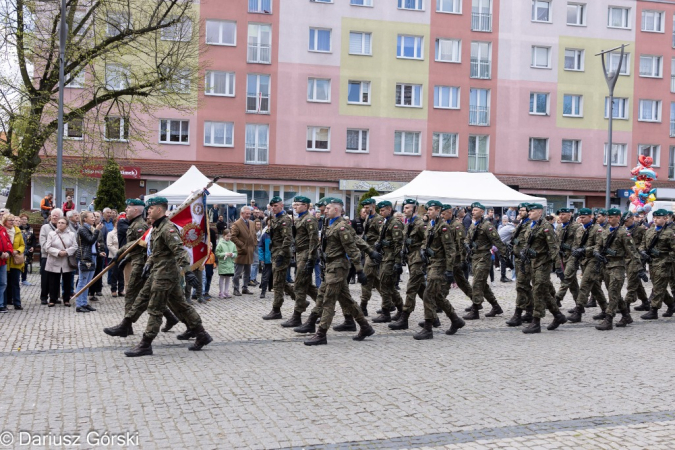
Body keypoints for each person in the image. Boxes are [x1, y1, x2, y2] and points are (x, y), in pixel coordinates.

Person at [121, 197, 212, 357]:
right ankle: (201, 334)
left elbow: (179, 250)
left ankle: (145, 343)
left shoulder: (168, 229)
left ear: (159, 209)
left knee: (155, 309)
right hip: (158, 272)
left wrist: (188, 271)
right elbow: (156, 252)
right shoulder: (157, 228)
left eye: (151, 208)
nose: (148, 211)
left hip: (166, 275)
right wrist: (148, 264)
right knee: (180, 305)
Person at [303, 198, 374, 346]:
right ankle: (365, 327)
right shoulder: (330, 224)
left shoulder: (342, 226)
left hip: (338, 268)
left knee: (328, 300)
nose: (325, 210)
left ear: (336, 210)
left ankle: (321, 333)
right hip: (330, 267)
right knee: (346, 300)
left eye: (328, 208)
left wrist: (359, 270)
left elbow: (352, 249)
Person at [517, 204, 567, 333]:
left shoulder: (546, 227)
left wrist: (558, 267)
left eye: (532, 211)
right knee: (544, 291)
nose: (529, 213)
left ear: (540, 212)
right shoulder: (531, 226)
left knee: (538, 290)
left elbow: (554, 248)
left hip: (543, 263)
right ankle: (558, 315)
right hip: (532, 263)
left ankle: (536, 322)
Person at [593, 208, 642, 330]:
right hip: (605, 266)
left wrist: (639, 268)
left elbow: (633, 252)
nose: (609, 219)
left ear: (618, 218)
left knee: (613, 293)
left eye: (612, 217)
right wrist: (596, 253)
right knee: (615, 294)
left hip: (618, 266)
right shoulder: (605, 231)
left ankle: (608, 319)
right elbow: (598, 245)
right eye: (608, 217)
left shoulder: (623, 233)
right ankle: (626, 316)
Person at [464, 202, 509, 320]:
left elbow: (497, 241)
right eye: (472, 210)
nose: (473, 212)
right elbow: (467, 240)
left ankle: (475, 309)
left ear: (482, 212)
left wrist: (505, 256)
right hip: (474, 258)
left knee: (477, 283)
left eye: (476, 210)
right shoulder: (474, 225)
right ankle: (496, 306)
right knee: (483, 285)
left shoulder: (487, 225)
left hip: (484, 257)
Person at [280, 196, 319, 328]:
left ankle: (297, 316)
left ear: (306, 205)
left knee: (299, 285)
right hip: (299, 253)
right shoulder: (298, 219)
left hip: (306, 254)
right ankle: (324, 306)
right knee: (308, 286)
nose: (294, 207)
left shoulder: (309, 219)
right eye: (294, 204)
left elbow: (314, 240)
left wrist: (310, 258)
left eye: (297, 204)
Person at [389, 199, 427, 330]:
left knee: (411, 288)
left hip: (418, 259)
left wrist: (422, 250)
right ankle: (440, 317)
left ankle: (404, 318)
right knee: (423, 290)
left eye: (407, 208)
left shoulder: (420, 223)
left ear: (414, 209)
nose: (404, 210)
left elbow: (427, 239)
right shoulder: (408, 223)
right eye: (404, 208)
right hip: (410, 258)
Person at [567, 208, 608, 323]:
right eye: (580, 217)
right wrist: (575, 250)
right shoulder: (580, 230)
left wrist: (584, 250)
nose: (582, 219)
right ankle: (605, 309)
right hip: (583, 261)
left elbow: (599, 246)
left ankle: (578, 311)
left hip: (594, 261)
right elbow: (575, 244)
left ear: (591, 217)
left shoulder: (598, 229)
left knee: (585, 284)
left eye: (584, 217)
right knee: (595, 287)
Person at [262, 196, 297, 320]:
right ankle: (299, 300)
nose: (273, 208)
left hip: (282, 253)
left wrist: (281, 254)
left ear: (281, 206)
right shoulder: (273, 218)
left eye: (276, 205)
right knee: (280, 280)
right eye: (272, 206)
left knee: (277, 282)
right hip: (275, 252)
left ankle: (276, 310)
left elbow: (288, 238)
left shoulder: (285, 219)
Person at [371, 201, 405, 323]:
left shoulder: (395, 223)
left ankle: (386, 312)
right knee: (389, 286)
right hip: (385, 257)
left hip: (391, 259)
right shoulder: (386, 222)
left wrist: (397, 262)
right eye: (380, 210)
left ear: (390, 209)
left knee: (384, 285)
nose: (381, 212)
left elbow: (398, 244)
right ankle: (401, 309)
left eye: (383, 210)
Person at [638, 209, 675, 321]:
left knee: (658, 287)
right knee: (660, 287)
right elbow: (642, 245)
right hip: (652, 263)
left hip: (664, 263)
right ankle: (671, 305)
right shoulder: (649, 231)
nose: (656, 219)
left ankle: (654, 310)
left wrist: (665, 258)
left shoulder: (669, 233)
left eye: (658, 218)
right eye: (654, 217)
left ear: (665, 219)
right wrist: (643, 252)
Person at [506, 204, 534, 326]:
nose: (520, 212)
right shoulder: (522, 223)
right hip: (518, 259)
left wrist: (516, 242)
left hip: (525, 260)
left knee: (521, 286)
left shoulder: (530, 225)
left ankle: (518, 314)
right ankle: (530, 311)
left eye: (523, 210)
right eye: (520, 210)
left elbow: (526, 242)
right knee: (525, 287)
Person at [43, 217, 78, 307]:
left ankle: (66, 299)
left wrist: (66, 252)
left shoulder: (71, 234)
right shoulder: (52, 234)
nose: (60, 224)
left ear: (66, 225)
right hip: (54, 260)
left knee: (67, 281)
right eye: (58, 222)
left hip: (66, 260)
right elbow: (47, 247)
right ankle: (52, 299)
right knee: (53, 281)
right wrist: (58, 252)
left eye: (62, 223)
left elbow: (75, 246)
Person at [358, 198, 384, 317]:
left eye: (368, 207)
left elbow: (382, 235)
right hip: (368, 250)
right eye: (365, 208)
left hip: (374, 251)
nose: (366, 209)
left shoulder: (378, 219)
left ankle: (363, 305)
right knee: (376, 280)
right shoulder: (368, 217)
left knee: (366, 277)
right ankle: (391, 302)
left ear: (374, 206)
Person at [74, 211, 103, 313]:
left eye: (94, 217)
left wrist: (99, 252)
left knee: (88, 282)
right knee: (82, 281)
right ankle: (79, 304)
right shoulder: (82, 229)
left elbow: (93, 244)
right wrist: (97, 231)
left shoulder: (91, 228)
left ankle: (84, 303)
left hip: (93, 256)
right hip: (85, 258)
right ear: (85, 219)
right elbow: (90, 240)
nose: (94, 219)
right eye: (91, 217)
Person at [554, 208, 581, 308]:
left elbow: (578, 243)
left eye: (563, 214)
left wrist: (569, 248)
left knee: (566, 278)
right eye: (560, 214)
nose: (561, 216)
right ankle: (579, 305)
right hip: (562, 256)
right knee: (572, 282)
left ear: (569, 215)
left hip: (572, 256)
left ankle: (557, 299)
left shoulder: (576, 227)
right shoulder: (559, 227)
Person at [624, 213, 650, 311]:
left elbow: (647, 242)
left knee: (631, 282)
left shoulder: (641, 229)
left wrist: (642, 254)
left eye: (627, 221)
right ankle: (645, 302)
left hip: (636, 259)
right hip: (626, 258)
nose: (625, 223)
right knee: (636, 281)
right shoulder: (623, 229)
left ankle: (626, 305)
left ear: (632, 219)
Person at [230, 206, 256, 296]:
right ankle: (236, 288)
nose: (249, 215)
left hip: (250, 251)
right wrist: (242, 245)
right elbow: (233, 237)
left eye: (249, 213)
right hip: (241, 251)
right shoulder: (237, 224)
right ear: (242, 213)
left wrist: (254, 245)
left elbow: (254, 235)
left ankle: (245, 287)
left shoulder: (252, 223)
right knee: (238, 272)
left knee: (247, 272)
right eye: (247, 214)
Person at [39, 209, 62, 305]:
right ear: (50, 216)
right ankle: (44, 297)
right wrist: (52, 251)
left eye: (57, 215)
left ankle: (55, 296)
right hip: (46, 256)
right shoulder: (45, 227)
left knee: (56, 278)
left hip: (58, 257)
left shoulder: (62, 228)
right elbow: (42, 242)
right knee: (45, 278)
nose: (55, 217)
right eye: (53, 215)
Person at [3, 215, 25, 310]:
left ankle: (17, 303)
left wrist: (17, 251)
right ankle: (4, 303)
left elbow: (22, 245)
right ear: (5, 221)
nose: (12, 222)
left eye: (13, 220)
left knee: (15, 283)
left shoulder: (18, 231)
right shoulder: (2, 231)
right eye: (9, 220)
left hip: (15, 260)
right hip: (5, 260)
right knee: (4, 283)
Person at [215, 228, 237, 298]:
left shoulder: (232, 244)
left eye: (229, 236)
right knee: (222, 277)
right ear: (224, 236)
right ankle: (221, 292)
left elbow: (236, 253)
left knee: (228, 278)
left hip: (230, 263)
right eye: (227, 236)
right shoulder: (220, 244)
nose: (228, 237)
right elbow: (217, 253)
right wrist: (224, 254)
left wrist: (232, 254)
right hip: (223, 263)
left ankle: (226, 291)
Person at [106, 217, 125, 297]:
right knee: (114, 273)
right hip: (114, 256)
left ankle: (121, 289)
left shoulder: (123, 233)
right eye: (117, 223)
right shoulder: (111, 233)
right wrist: (117, 253)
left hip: (123, 255)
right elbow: (109, 245)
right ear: (114, 224)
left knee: (122, 274)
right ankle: (113, 289)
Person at [18, 214, 35, 286]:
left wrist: (33, 247)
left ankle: (24, 279)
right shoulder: (17, 228)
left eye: (25, 219)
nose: (24, 220)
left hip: (28, 249)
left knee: (25, 264)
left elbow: (34, 239)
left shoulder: (31, 229)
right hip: (19, 249)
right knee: (18, 264)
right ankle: (17, 279)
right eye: (22, 219)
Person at [497, 216, 515, 283]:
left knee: (505, 260)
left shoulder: (507, 226)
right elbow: (516, 234)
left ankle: (510, 269)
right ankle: (503, 277)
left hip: (500, 245)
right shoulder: (511, 228)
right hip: (500, 246)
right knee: (503, 261)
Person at [0, 220, 12, 313]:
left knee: (3, 283)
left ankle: (1, 304)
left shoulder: (3, 229)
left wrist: (8, 252)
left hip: (3, 261)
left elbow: (8, 242)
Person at [258, 224, 273, 298]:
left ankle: (279, 291)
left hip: (277, 260)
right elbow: (260, 248)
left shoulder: (278, 235)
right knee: (265, 277)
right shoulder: (265, 235)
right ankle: (263, 291)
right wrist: (262, 259)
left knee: (279, 277)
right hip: (267, 259)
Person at [250, 220, 262, 286]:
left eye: (259, 224)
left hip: (258, 247)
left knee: (256, 263)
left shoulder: (260, 232)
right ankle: (251, 278)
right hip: (254, 247)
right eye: (257, 224)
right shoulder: (253, 232)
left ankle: (254, 278)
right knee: (254, 263)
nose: (258, 226)